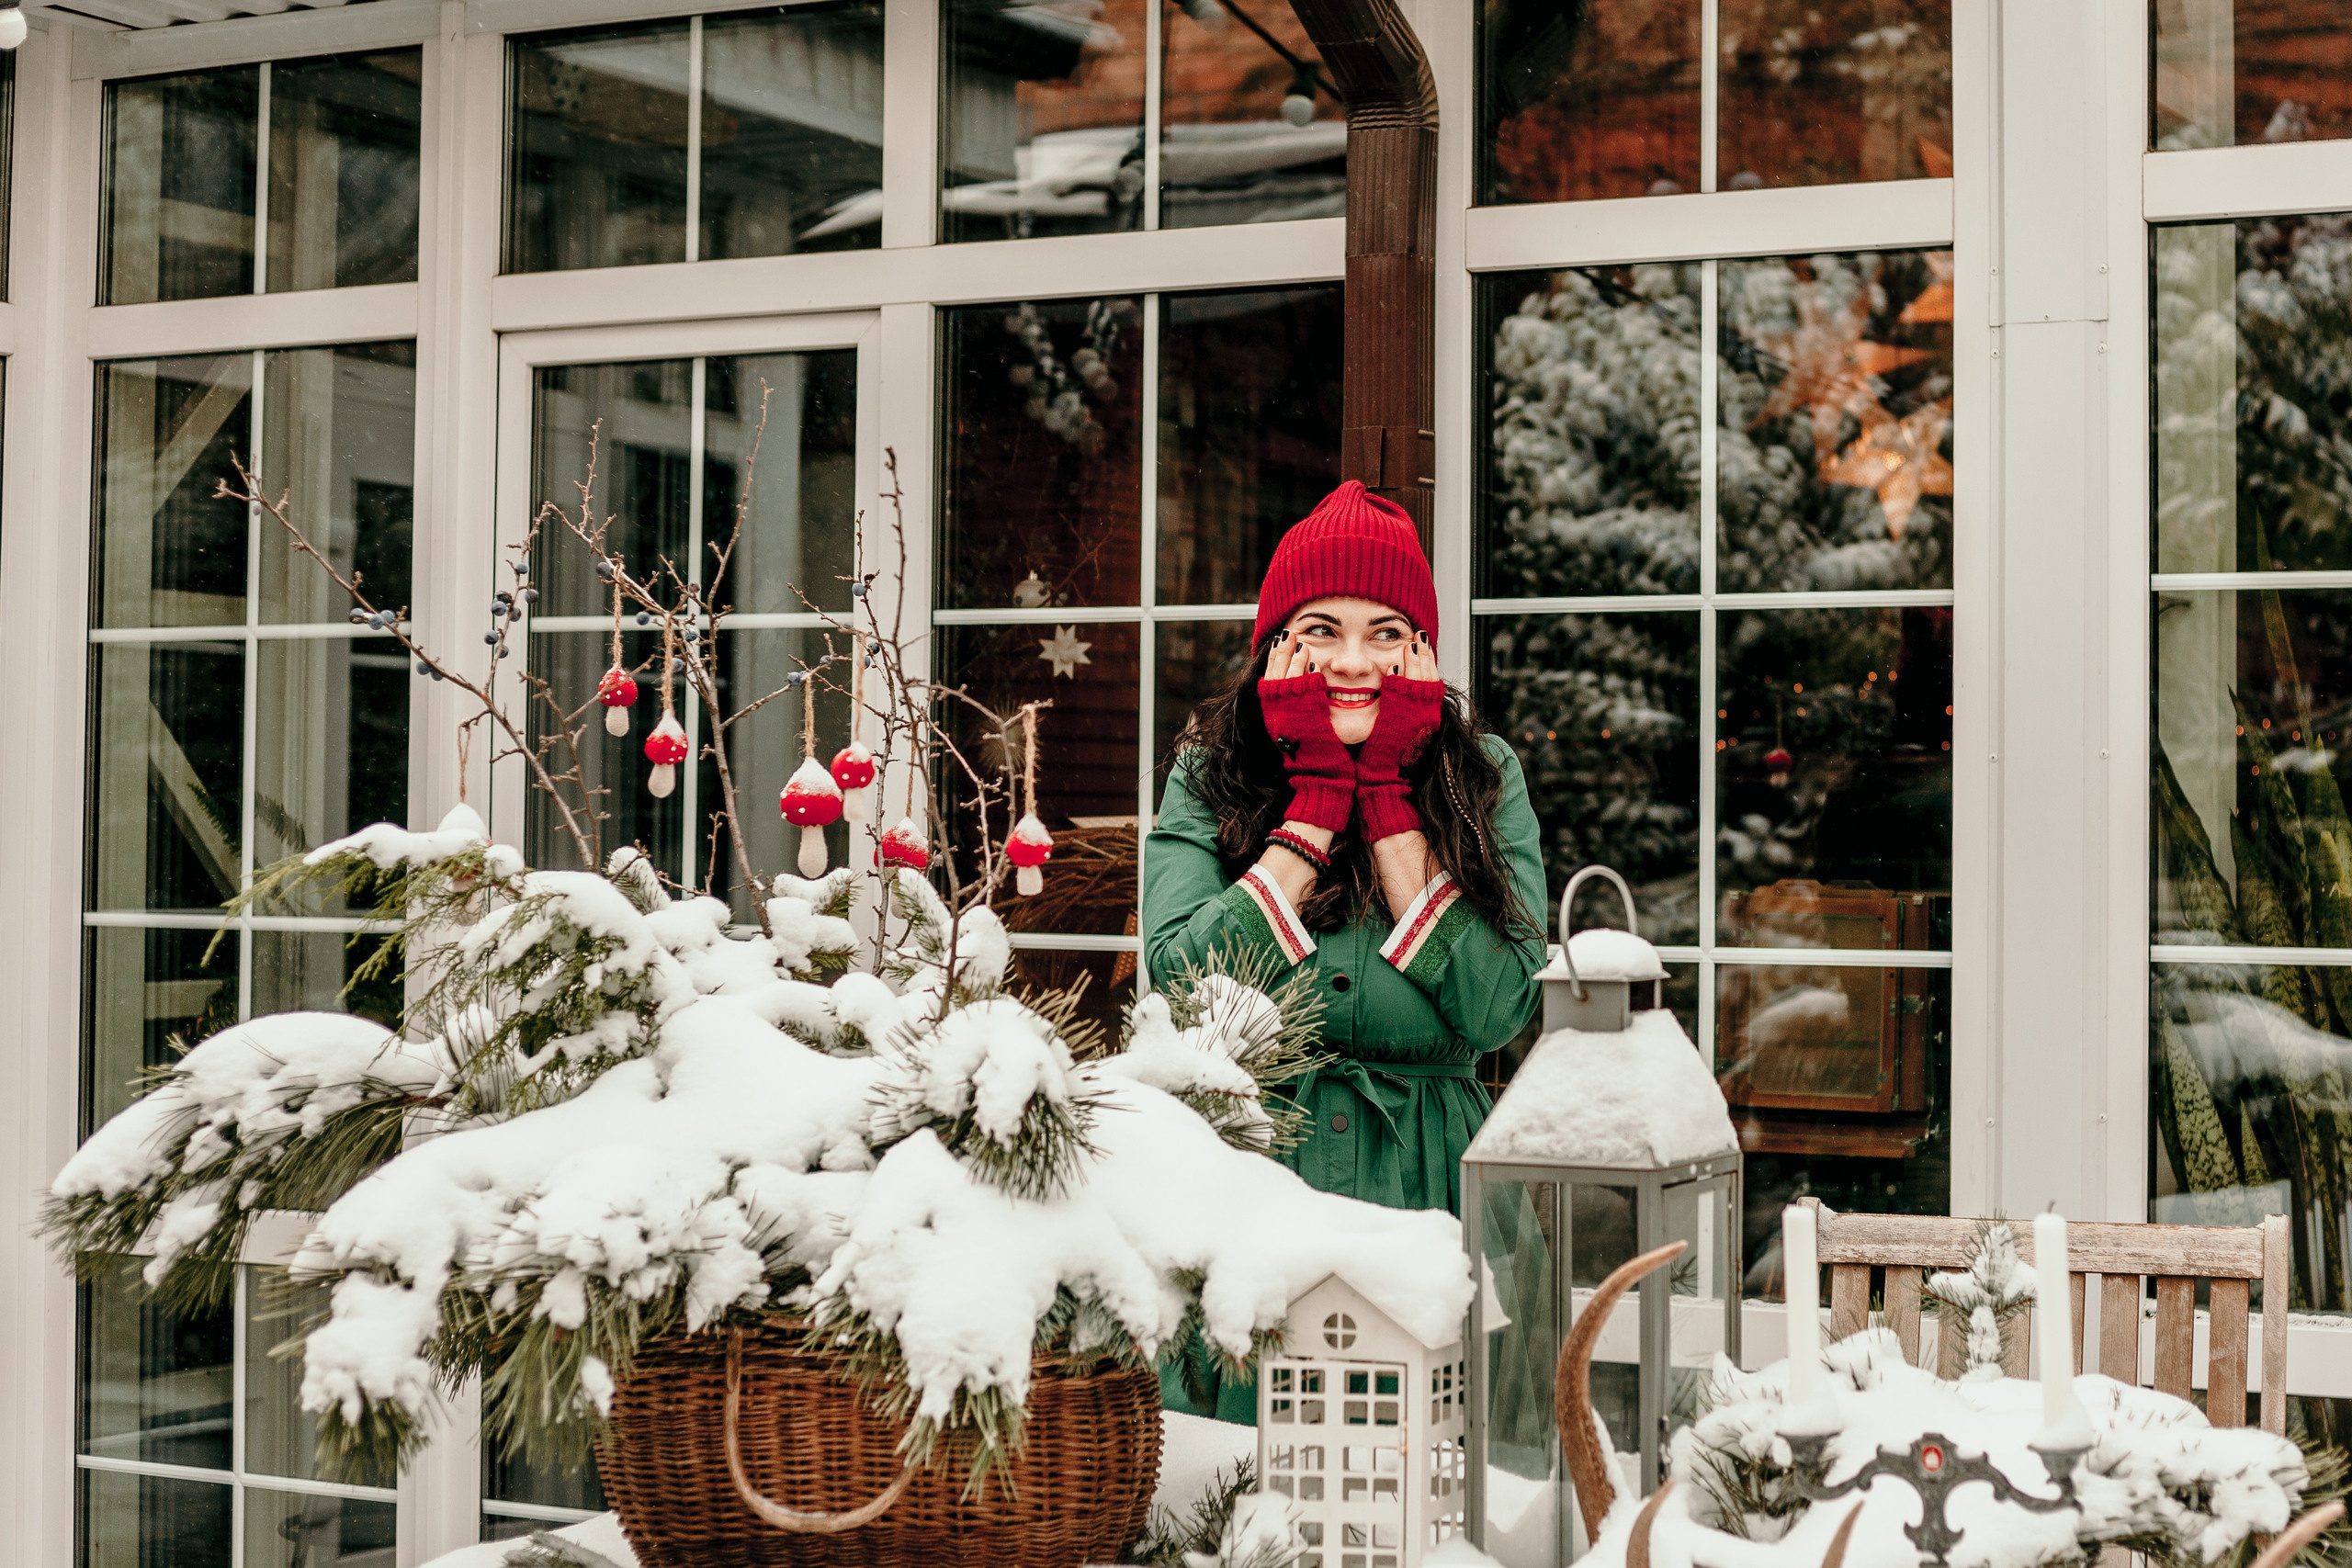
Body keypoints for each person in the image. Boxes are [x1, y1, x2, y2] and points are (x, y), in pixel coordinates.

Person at [1145, 479, 1549, 1422]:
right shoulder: (1210, 772)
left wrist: (1389, 807)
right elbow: (1179, 988)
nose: (1351, 660)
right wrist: (1317, 804)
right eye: (1320, 629)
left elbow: (1498, 1008)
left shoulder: (1485, 778)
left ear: (1421, 651)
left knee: (1431, 1490)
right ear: (1275, 647)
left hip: (1432, 1187)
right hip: (1247, 1180)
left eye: (1384, 631)